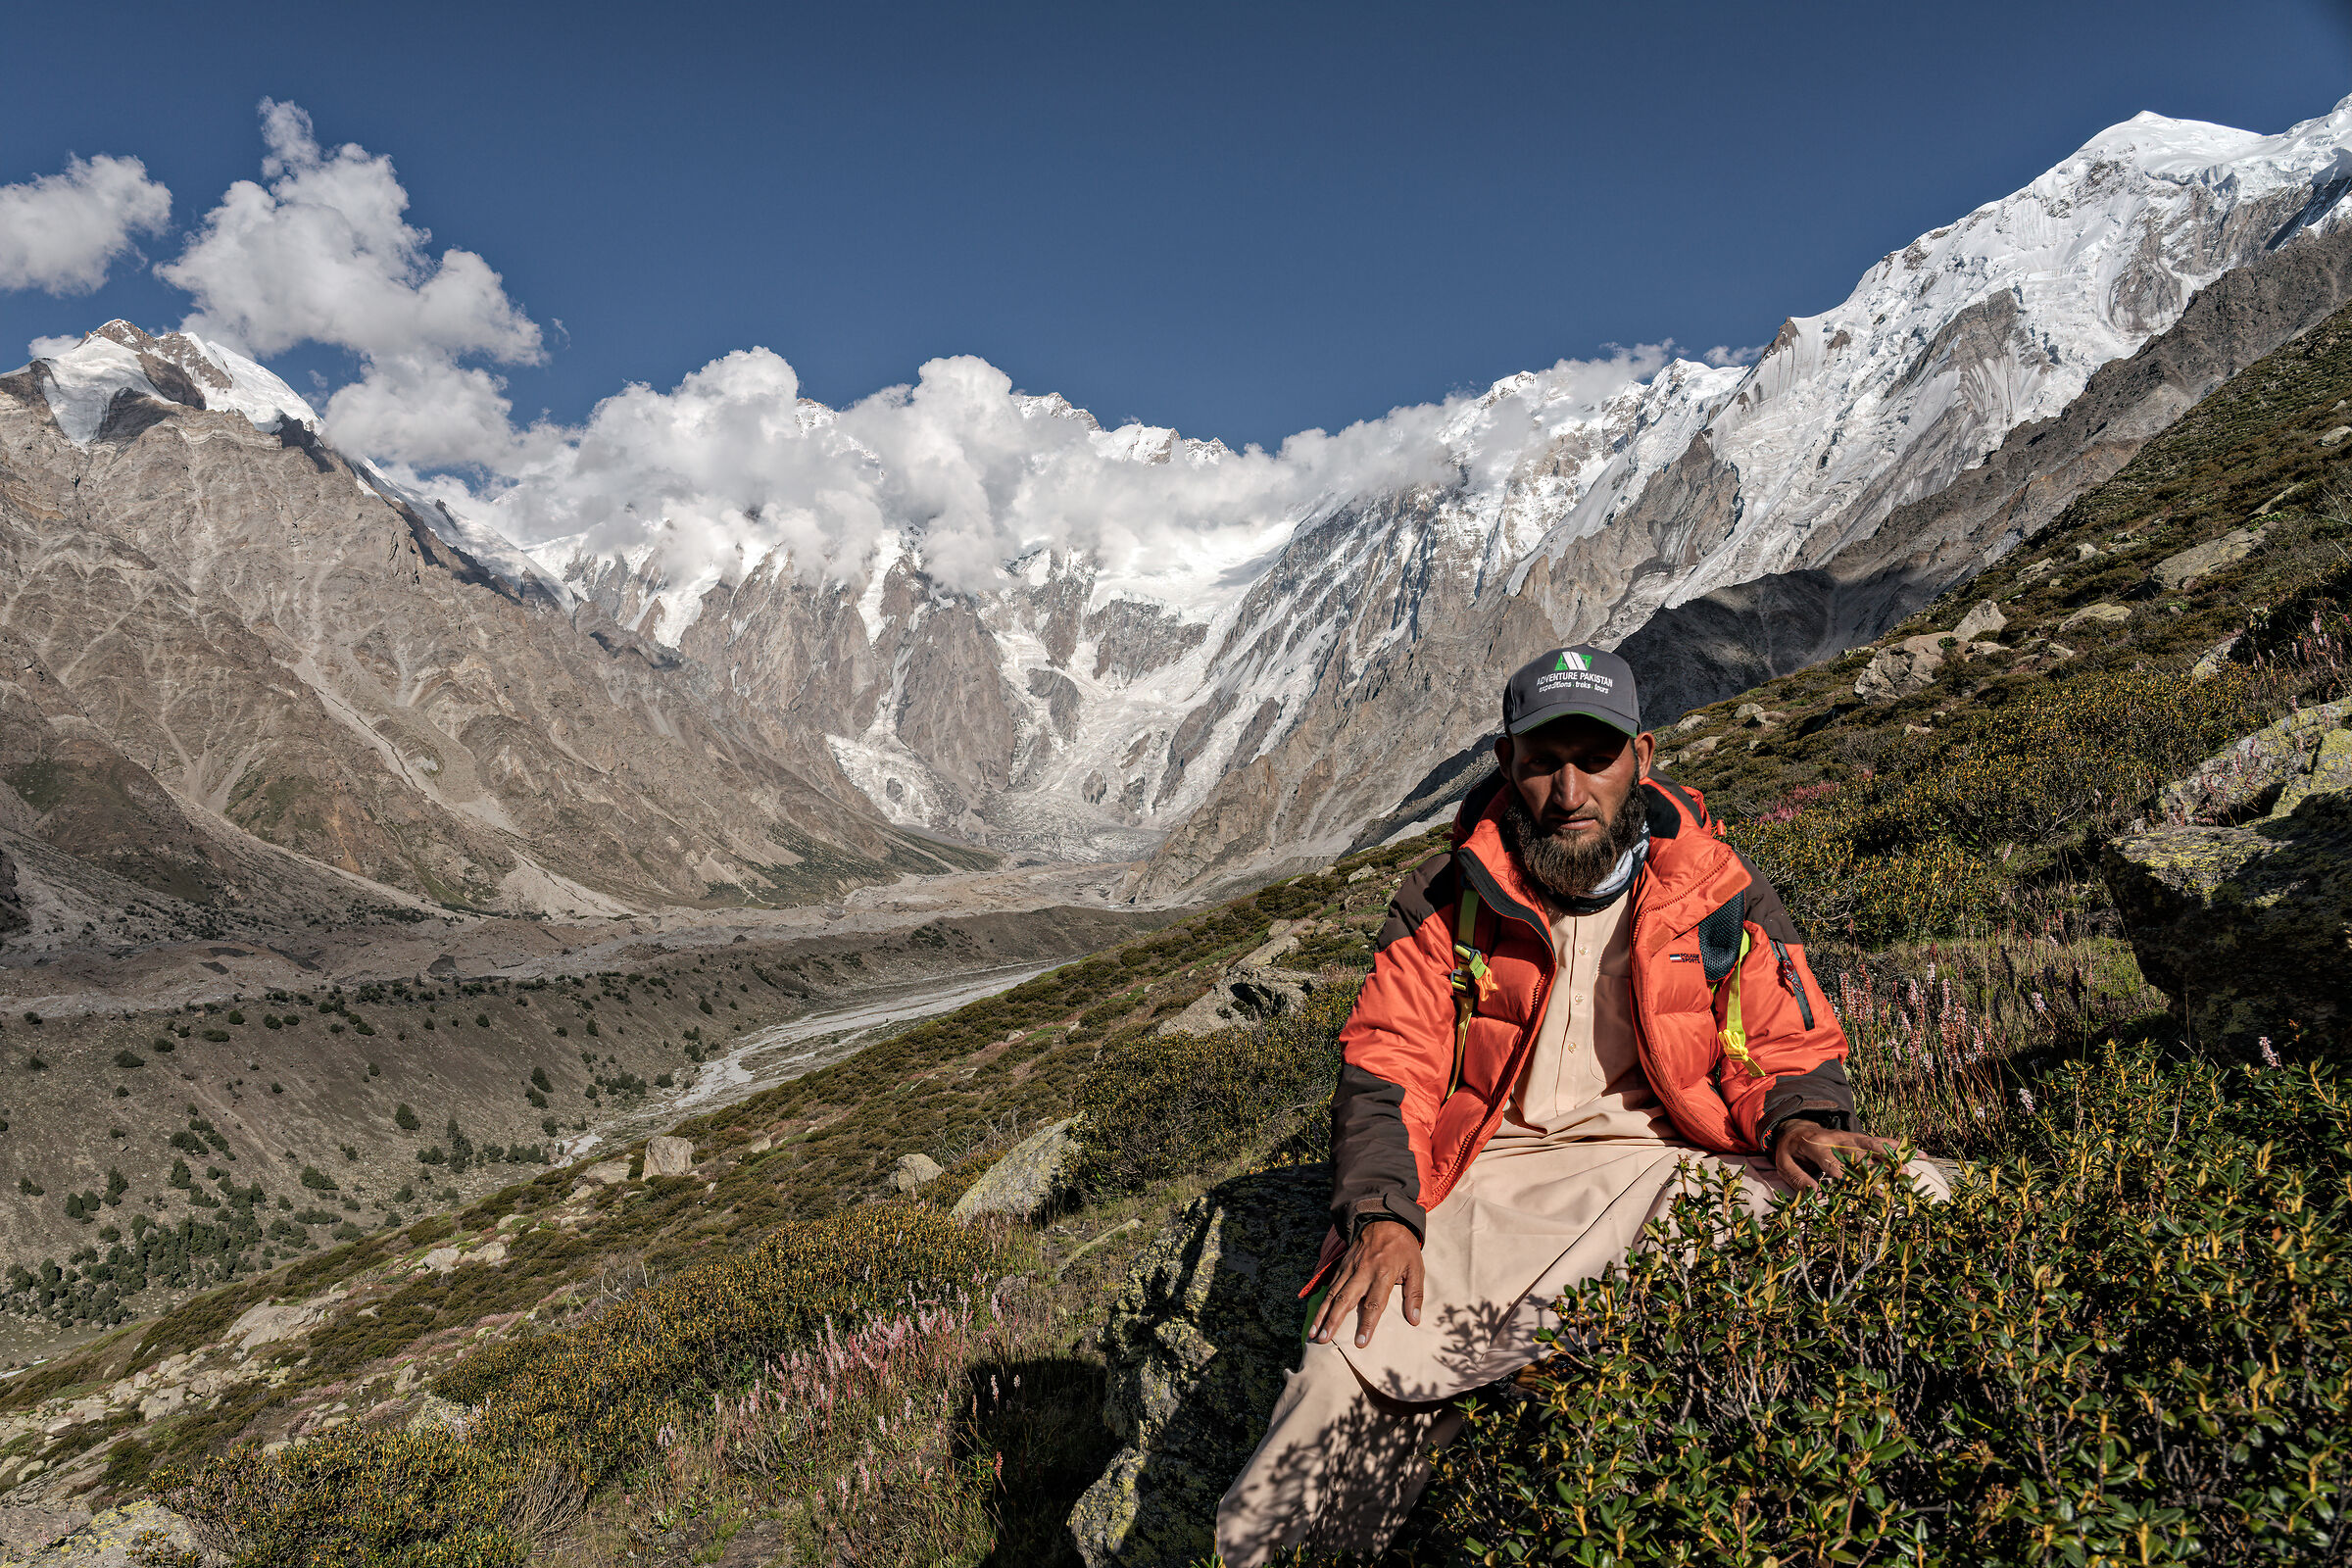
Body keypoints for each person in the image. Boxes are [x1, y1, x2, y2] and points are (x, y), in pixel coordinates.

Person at [1213, 645, 1946, 1565]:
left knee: (1907, 1192)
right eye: (1541, 762)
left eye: (1593, 759)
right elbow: (1386, 1063)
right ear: (1505, 766)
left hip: (1664, 1168)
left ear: (1641, 757)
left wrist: (1797, 1121)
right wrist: (1381, 1213)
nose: (1569, 791)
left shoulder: (1713, 887)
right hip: (1488, 1180)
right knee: (1345, 1361)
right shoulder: (1446, 898)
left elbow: (1783, 1032)